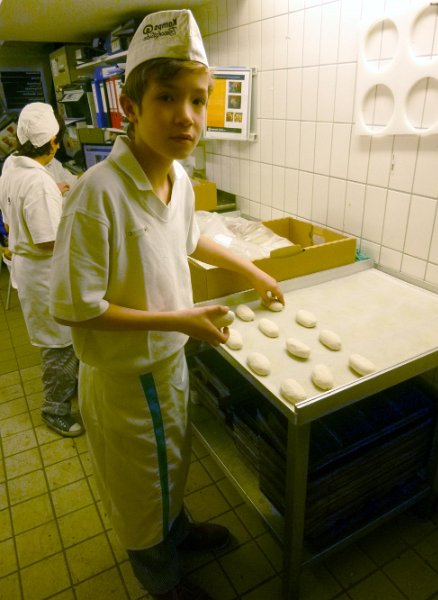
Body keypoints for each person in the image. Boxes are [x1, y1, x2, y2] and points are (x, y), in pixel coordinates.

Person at [49, 9, 284, 600]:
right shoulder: (95, 195)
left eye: (198, 100)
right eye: (167, 97)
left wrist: (251, 268)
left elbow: (188, 237)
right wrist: (180, 320)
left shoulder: (176, 178)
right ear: (131, 106)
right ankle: (162, 580)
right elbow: (76, 308)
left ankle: (177, 530)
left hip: (170, 364)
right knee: (139, 488)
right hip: (126, 382)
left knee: (171, 468)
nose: (186, 116)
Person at [0, 102, 82, 437]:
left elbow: (13, 217)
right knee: (59, 344)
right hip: (44, 274)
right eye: (57, 140)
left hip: (30, 267)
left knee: (64, 342)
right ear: (50, 142)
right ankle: (54, 409)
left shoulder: (12, 167)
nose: (59, 145)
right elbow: (49, 240)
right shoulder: (38, 183)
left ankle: (67, 388)